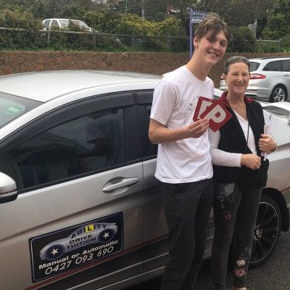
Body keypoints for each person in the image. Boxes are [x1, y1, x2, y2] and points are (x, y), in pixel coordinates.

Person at [148, 13, 230, 290]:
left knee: (197, 253)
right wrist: (186, 131)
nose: (217, 47)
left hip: (203, 177)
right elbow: (154, 133)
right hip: (178, 183)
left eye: (222, 43)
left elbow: (206, 128)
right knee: (181, 256)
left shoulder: (209, 85)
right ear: (196, 41)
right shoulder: (170, 83)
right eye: (211, 39)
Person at [209, 56, 277, 290]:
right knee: (224, 239)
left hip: (254, 183)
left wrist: (272, 145)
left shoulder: (255, 107)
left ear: (250, 77)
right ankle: (220, 286)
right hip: (228, 186)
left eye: (244, 74)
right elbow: (209, 153)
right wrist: (242, 160)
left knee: (246, 235)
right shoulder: (216, 110)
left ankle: (240, 283)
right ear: (225, 77)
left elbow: (263, 144)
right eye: (235, 74)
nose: (240, 79)